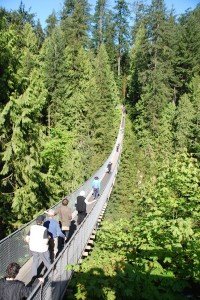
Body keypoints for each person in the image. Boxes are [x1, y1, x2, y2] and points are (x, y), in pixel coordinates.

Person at [25, 215, 51, 280]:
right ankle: (51, 271)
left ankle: (34, 276)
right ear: (42, 222)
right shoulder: (44, 229)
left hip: (33, 248)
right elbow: (45, 242)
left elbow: (27, 238)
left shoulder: (32, 227)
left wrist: (31, 243)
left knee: (35, 261)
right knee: (46, 260)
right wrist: (48, 238)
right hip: (42, 249)